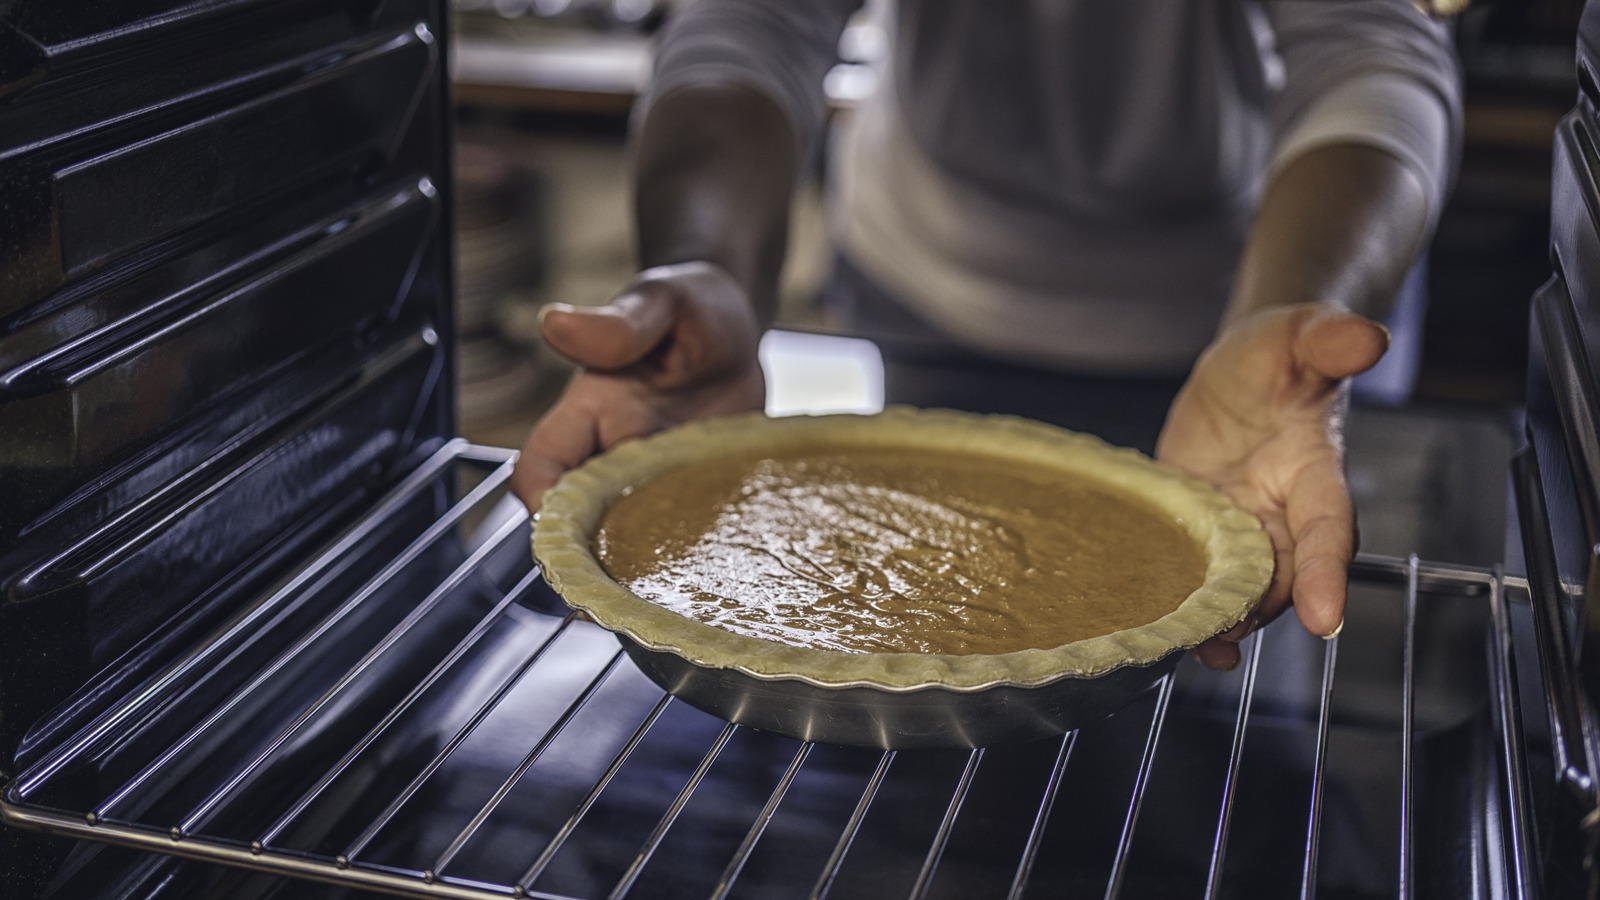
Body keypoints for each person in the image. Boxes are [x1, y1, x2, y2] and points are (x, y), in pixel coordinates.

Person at [510, 0, 1462, 671]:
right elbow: (752, 21)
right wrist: (707, 264)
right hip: (942, 277)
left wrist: (1288, 306)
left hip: (1248, 314)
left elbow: (1371, 51)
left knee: (1236, 712)